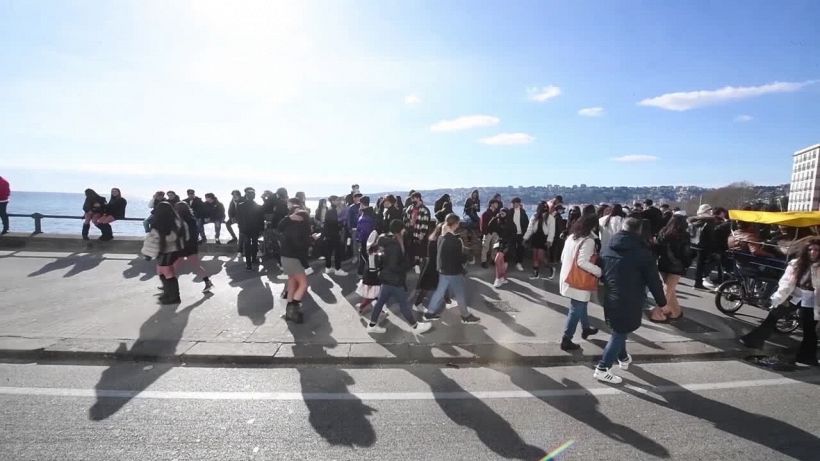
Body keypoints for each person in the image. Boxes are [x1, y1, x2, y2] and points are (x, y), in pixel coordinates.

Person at [594, 218, 667, 384]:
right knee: (619, 332)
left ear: (623, 227)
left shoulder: (608, 246)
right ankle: (603, 368)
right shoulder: (642, 253)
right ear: (639, 230)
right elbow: (653, 281)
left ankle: (623, 358)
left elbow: (602, 270)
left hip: (610, 295)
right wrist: (662, 302)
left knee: (619, 329)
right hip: (631, 298)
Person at [740, 237, 819, 366]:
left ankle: (806, 357)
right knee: (773, 315)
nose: (813, 252)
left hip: (812, 299)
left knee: (809, 329)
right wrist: (778, 297)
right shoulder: (797, 263)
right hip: (794, 294)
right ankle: (754, 340)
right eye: (810, 249)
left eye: (816, 250)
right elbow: (786, 282)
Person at [365, 219, 432, 335]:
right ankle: (415, 326)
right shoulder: (395, 245)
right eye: (403, 228)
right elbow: (394, 265)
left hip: (385, 277)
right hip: (394, 279)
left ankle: (372, 325)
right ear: (400, 230)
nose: (404, 230)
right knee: (403, 304)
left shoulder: (383, 239)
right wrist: (407, 265)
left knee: (380, 302)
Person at [422, 214, 480, 323]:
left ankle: (429, 313)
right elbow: (459, 258)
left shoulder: (441, 237)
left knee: (439, 292)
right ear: (456, 224)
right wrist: (467, 257)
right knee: (460, 293)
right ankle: (466, 316)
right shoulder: (455, 240)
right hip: (453, 272)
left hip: (443, 270)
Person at [558, 214, 602, 351]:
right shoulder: (588, 241)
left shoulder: (571, 237)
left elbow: (562, 257)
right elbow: (582, 262)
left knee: (580, 305)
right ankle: (566, 339)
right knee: (576, 308)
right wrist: (599, 271)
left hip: (567, 277)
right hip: (578, 281)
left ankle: (586, 328)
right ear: (593, 226)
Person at [140, 201, 187, 305]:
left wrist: (147, 253)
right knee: (163, 272)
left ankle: (174, 297)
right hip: (173, 250)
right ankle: (168, 293)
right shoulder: (178, 222)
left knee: (166, 273)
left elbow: (153, 240)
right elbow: (183, 236)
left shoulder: (159, 223)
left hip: (165, 251)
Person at [652, 215, 693, 322]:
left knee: (670, 289)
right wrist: (687, 264)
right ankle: (657, 313)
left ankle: (676, 312)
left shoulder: (663, 232)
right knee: (668, 290)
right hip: (676, 266)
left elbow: (657, 247)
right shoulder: (684, 235)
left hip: (663, 264)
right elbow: (686, 252)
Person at [278, 207, 313, 323]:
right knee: (303, 284)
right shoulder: (302, 229)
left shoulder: (289, 226)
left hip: (284, 257)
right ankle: (292, 310)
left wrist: (288, 218)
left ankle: (289, 313)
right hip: (294, 259)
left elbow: (279, 227)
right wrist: (311, 240)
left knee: (292, 283)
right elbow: (300, 247)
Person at [173, 202, 214, 293]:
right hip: (190, 246)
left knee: (182, 265)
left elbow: (184, 235)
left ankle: (168, 284)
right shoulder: (191, 220)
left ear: (180, 210)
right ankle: (208, 282)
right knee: (183, 265)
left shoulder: (184, 221)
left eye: (176, 209)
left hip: (186, 247)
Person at [688, 204, 721, 290]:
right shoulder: (709, 221)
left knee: (698, 265)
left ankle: (697, 282)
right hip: (704, 246)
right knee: (704, 264)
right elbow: (711, 236)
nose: (711, 212)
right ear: (706, 211)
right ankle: (698, 282)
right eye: (710, 210)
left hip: (693, 244)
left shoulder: (694, 220)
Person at [523, 201, 556, 279]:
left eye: (545, 207)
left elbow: (552, 231)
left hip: (544, 238)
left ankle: (551, 268)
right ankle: (536, 273)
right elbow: (530, 229)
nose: (543, 209)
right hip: (535, 237)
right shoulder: (534, 217)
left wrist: (549, 241)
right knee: (535, 256)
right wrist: (525, 238)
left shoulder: (550, 218)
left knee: (540, 256)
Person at [403, 192, 433, 273]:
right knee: (410, 251)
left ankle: (418, 268)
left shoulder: (424, 210)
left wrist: (422, 235)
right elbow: (405, 219)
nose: (412, 200)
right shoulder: (409, 208)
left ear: (418, 198)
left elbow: (425, 224)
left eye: (414, 198)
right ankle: (411, 266)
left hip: (418, 233)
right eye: (411, 199)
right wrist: (408, 226)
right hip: (410, 233)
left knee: (419, 252)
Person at [236, 187, 264, 271]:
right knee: (255, 243)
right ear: (254, 196)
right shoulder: (258, 207)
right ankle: (254, 259)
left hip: (245, 229)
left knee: (247, 245)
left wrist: (240, 227)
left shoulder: (240, 206)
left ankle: (248, 264)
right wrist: (261, 229)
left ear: (246, 196)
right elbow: (261, 219)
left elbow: (238, 218)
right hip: (255, 228)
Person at [355, 225, 382, 312]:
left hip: (371, 277)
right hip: (372, 279)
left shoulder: (373, 253)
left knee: (374, 296)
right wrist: (371, 283)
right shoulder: (373, 255)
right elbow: (372, 269)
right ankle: (362, 307)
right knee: (373, 296)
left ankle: (365, 307)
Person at [321, 196, 348, 276]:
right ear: (332, 201)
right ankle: (337, 269)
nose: (338, 202)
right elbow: (335, 223)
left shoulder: (329, 210)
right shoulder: (333, 211)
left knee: (329, 252)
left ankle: (328, 267)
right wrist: (342, 224)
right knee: (337, 252)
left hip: (328, 234)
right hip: (334, 234)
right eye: (337, 200)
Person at [492, 208, 515, 288]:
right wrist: (495, 217)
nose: (501, 214)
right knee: (501, 262)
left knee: (497, 260)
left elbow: (513, 236)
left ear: (507, 214)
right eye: (500, 213)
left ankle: (498, 278)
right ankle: (503, 278)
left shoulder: (511, 223)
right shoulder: (499, 221)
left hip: (507, 244)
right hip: (500, 242)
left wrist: (508, 246)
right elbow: (490, 227)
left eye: (503, 213)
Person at [356, 197, 378, 275]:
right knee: (369, 258)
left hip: (365, 240)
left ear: (362, 204)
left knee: (364, 257)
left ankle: (363, 274)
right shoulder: (373, 214)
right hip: (373, 239)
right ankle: (365, 273)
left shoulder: (364, 216)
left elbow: (363, 231)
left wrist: (359, 239)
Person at [509, 197, 529, 271]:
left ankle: (518, 262)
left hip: (521, 233)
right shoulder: (510, 212)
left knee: (521, 248)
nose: (515, 204)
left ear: (519, 203)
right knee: (512, 248)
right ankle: (514, 261)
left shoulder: (523, 212)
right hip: (512, 233)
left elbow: (526, 223)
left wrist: (526, 233)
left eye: (516, 203)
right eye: (514, 203)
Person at [480, 199, 501, 268]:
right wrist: (485, 233)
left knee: (495, 247)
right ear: (492, 204)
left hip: (496, 233)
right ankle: (483, 261)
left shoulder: (497, 213)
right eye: (496, 203)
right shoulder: (485, 213)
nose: (497, 205)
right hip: (488, 233)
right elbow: (483, 224)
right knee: (485, 247)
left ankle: (493, 260)